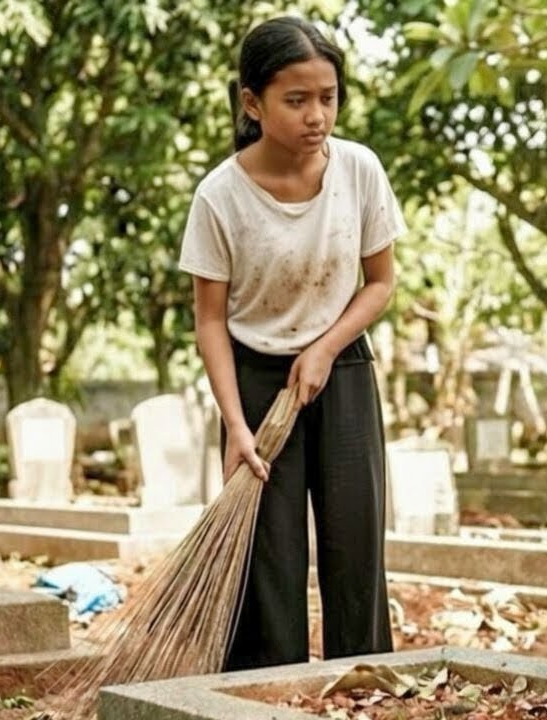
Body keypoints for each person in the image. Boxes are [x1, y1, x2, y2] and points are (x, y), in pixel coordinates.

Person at [177, 16, 404, 670]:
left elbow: (380, 283)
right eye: (297, 100)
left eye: (328, 98)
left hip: (343, 371)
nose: (317, 116)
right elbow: (210, 322)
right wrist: (235, 426)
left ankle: (364, 684)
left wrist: (327, 347)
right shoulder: (219, 196)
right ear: (252, 103)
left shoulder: (359, 169)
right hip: (254, 384)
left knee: (355, 546)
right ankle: (265, 693)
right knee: (269, 560)